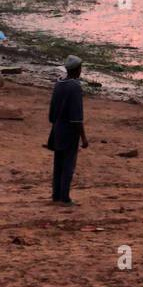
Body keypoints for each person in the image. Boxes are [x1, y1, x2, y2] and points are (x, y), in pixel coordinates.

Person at [47, 55, 89, 205]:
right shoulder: (75, 87)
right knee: (68, 165)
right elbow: (77, 117)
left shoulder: (59, 84)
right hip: (70, 131)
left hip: (57, 129)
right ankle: (65, 197)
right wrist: (83, 137)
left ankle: (56, 195)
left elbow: (51, 113)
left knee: (58, 164)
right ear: (77, 69)